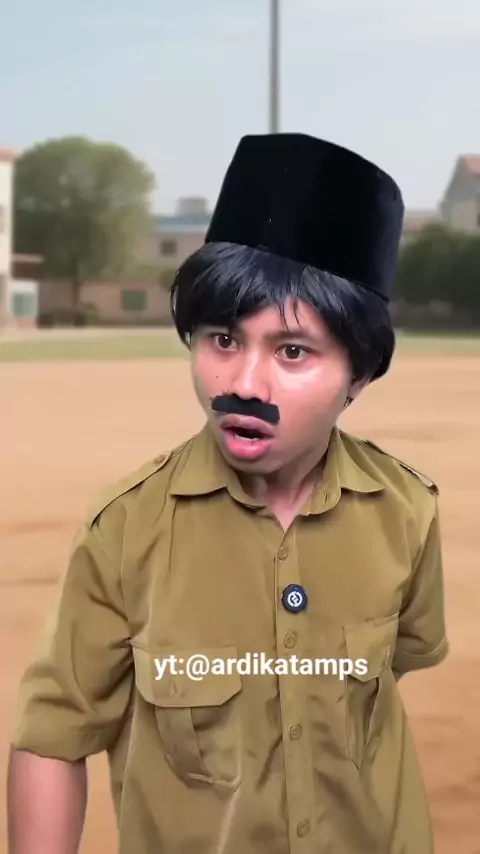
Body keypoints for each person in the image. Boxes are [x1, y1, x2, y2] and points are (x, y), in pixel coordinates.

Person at [7, 133, 449, 854]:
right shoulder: (125, 529)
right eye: (222, 339)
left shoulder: (408, 511)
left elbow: (392, 666)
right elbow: (53, 738)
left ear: (360, 373)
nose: (244, 384)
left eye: (292, 350)